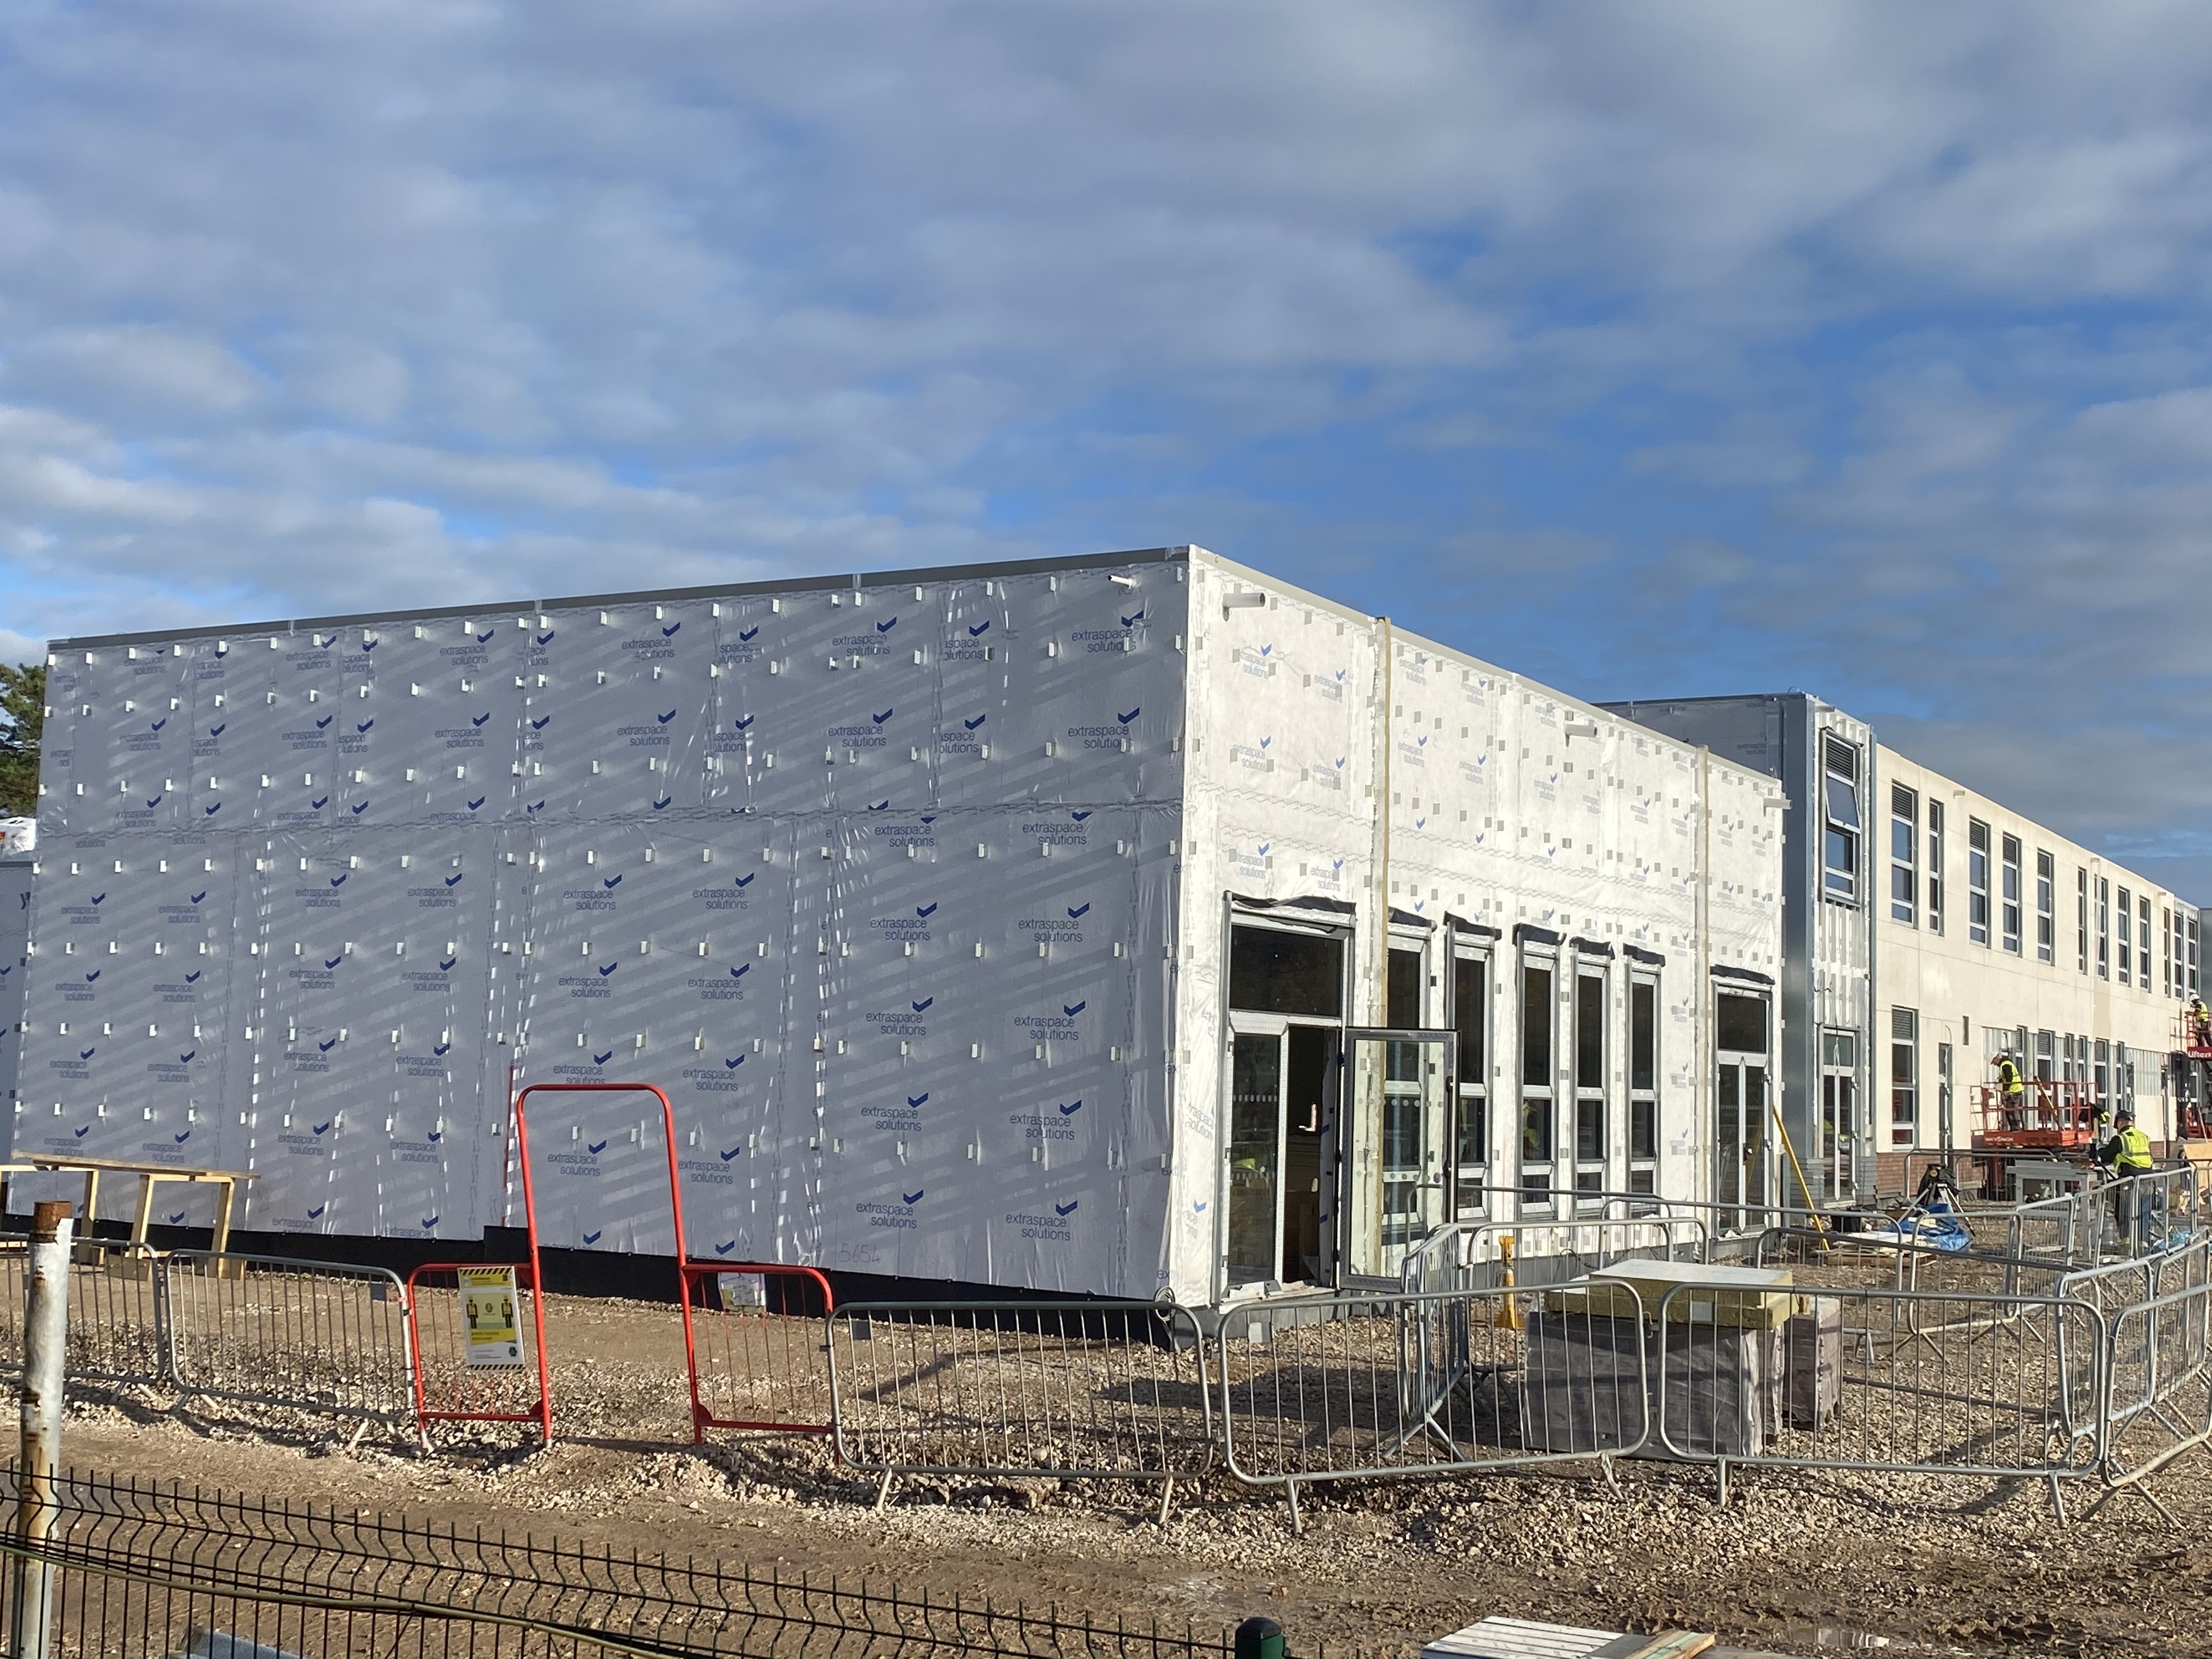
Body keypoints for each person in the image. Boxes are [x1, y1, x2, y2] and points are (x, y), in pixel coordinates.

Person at [2097, 1107, 2157, 1255]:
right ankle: (2142, 1243)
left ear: (2121, 1123)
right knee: (2143, 1210)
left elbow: (2106, 1157)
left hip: (2129, 1180)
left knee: (2124, 1210)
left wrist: (2099, 1153)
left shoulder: (2121, 1139)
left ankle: (2127, 1242)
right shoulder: (2144, 1136)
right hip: (2147, 1179)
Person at [1993, 1051, 2027, 1130]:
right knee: (2018, 1111)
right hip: (2017, 1090)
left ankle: (2016, 1130)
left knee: (2012, 1112)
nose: (1994, 1064)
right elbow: (2005, 1078)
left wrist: (2006, 1091)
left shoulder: (2005, 1065)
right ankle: (2022, 1127)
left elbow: (2009, 1079)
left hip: (2013, 1092)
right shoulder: (2007, 1064)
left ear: (1996, 1058)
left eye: (1994, 1062)